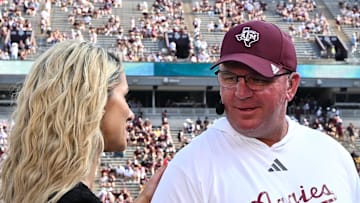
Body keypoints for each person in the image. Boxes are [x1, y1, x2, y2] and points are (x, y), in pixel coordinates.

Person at [151, 20, 360, 202]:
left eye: (258, 79)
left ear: (291, 86)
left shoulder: (331, 155)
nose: (241, 93)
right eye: (230, 78)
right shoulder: (188, 170)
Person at [0, 40, 165, 203]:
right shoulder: (75, 198)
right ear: (95, 103)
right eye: (123, 95)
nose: (130, 114)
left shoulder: (28, 191)